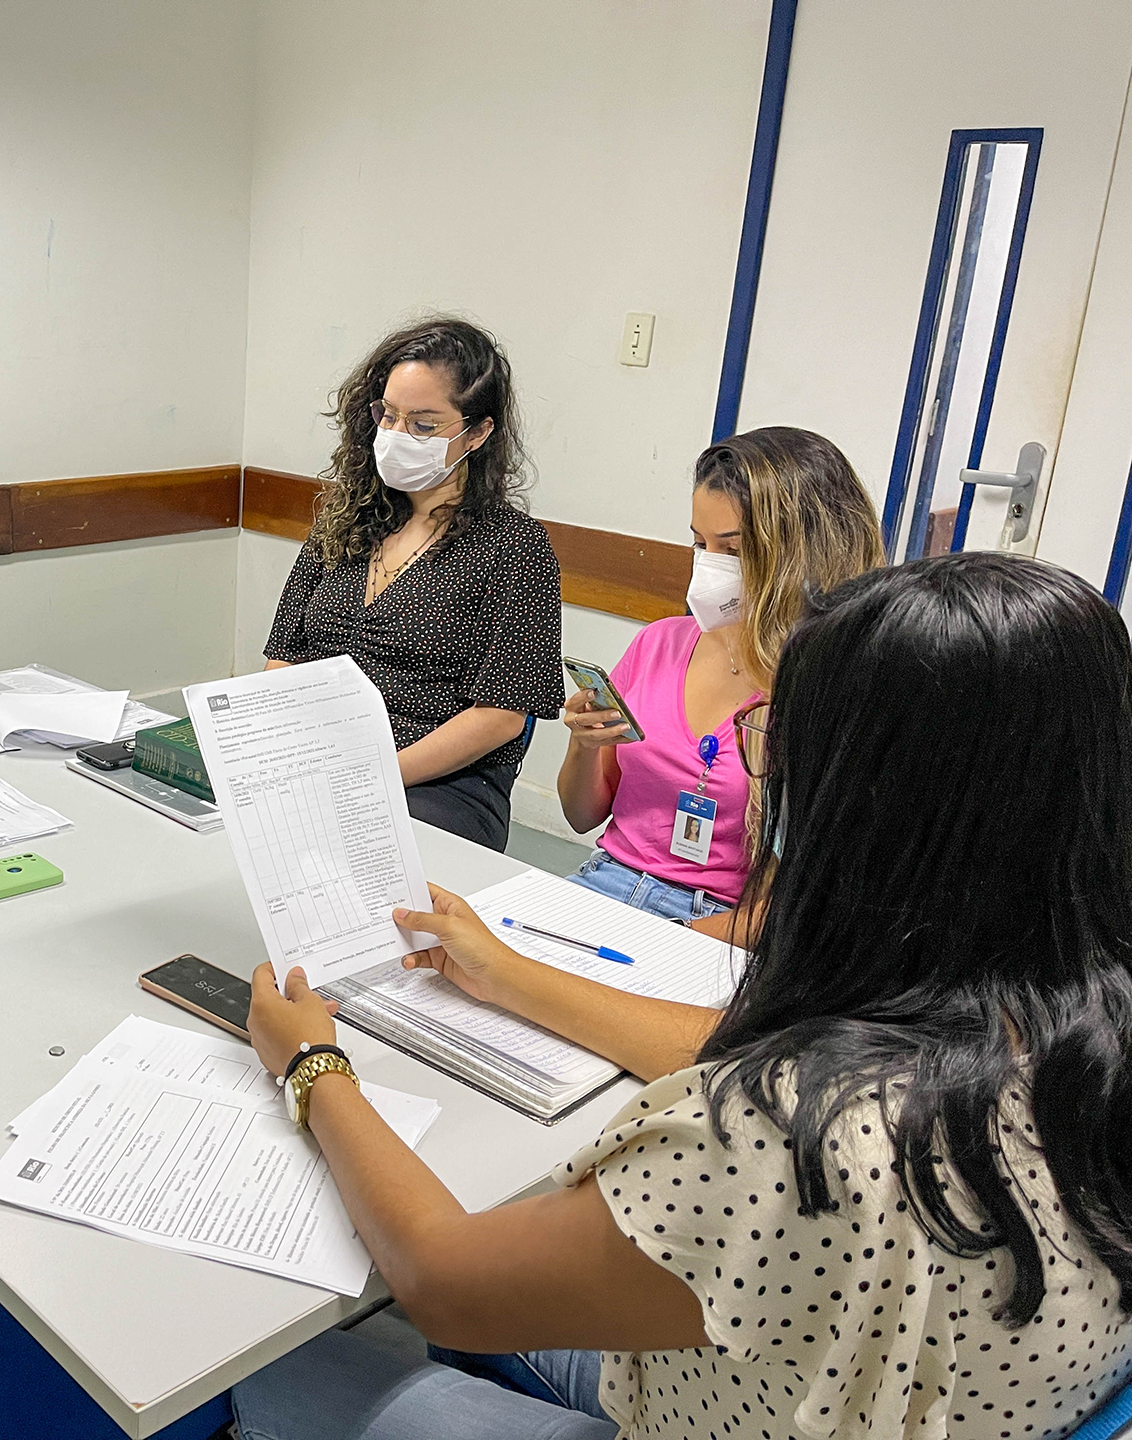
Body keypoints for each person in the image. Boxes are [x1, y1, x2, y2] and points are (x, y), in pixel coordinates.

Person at [232, 552, 1132, 1440]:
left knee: (272, 1369)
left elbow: (443, 1281)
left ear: (866, 809)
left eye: (781, 743)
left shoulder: (796, 1136)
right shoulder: (1072, 1020)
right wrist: (508, 973)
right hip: (860, 1380)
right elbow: (745, 1050)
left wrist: (314, 1067)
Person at [559, 427, 881, 926]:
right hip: (607, 879)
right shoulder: (659, 643)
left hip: (719, 924)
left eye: (732, 551)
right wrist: (584, 745)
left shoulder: (832, 684)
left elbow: (804, 901)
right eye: (698, 544)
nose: (709, 568)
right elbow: (581, 817)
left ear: (804, 553)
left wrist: (681, 939)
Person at [264, 317, 563, 852]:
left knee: (336, 850)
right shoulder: (347, 519)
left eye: (425, 425)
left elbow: (499, 717)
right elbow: (283, 654)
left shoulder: (514, 548)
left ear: (478, 431)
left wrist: (370, 774)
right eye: (389, 416)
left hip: (438, 784)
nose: (399, 437)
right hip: (318, 758)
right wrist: (282, 751)